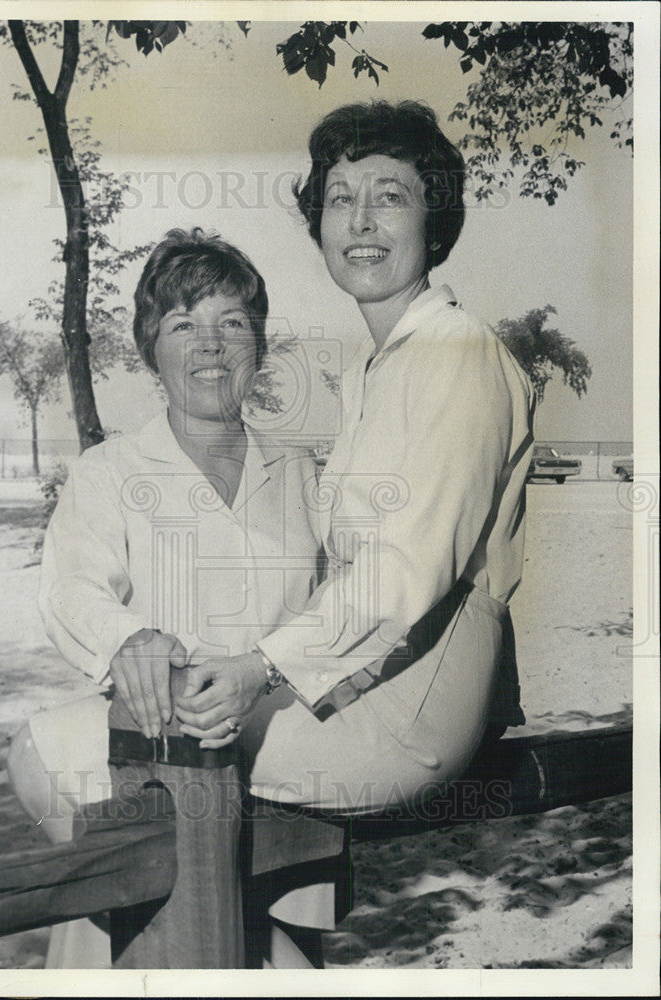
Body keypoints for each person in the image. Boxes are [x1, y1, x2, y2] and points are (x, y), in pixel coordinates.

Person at [174, 99, 535, 813]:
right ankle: (258, 925)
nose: (361, 222)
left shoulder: (457, 355)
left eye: (389, 197)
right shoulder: (376, 368)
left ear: (435, 224)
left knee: (92, 752)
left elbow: (408, 570)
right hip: (361, 667)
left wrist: (260, 666)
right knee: (145, 738)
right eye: (340, 199)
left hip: (413, 698)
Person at [8, 228, 337, 968]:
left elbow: (340, 607)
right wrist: (130, 640)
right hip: (152, 753)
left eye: (231, 324)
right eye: (183, 325)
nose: (210, 345)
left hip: (285, 752)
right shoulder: (111, 469)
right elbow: (69, 586)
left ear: (259, 343)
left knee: (276, 940)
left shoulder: (304, 473)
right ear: (150, 350)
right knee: (131, 915)